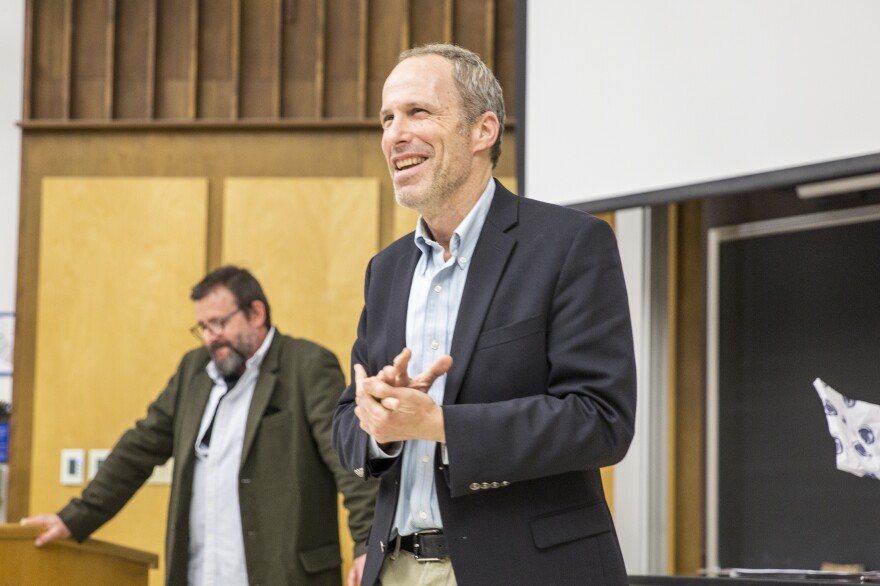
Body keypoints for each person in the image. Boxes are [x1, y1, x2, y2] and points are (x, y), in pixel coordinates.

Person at [331, 43, 637, 586]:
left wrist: (440, 423)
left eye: (418, 112)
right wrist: (382, 427)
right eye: (387, 118)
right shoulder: (386, 270)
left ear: (483, 130)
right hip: (394, 569)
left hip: (525, 569)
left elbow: (601, 420)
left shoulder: (570, 245)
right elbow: (344, 424)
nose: (394, 134)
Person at [22, 265, 377, 586]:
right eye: (203, 327)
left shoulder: (306, 365)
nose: (209, 337)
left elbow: (346, 460)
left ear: (256, 313)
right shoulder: (194, 371)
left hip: (284, 575)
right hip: (199, 573)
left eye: (219, 323)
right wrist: (74, 518)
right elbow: (138, 449)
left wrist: (366, 545)